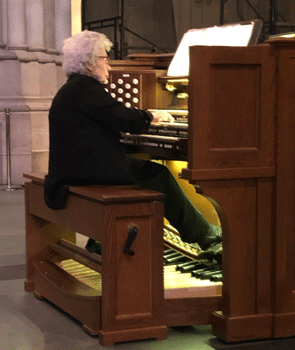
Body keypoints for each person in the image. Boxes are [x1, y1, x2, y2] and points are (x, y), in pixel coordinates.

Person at [44, 30, 222, 255]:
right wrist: (151, 116)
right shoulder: (86, 88)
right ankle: (203, 234)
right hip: (85, 171)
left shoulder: (75, 88)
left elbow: (112, 116)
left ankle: (100, 242)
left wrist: (144, 117)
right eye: (105, 59)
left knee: (142, 167)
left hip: (77, 167)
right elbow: (123, 118)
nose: (109, 66)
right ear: (89, 64)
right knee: (159, 175)